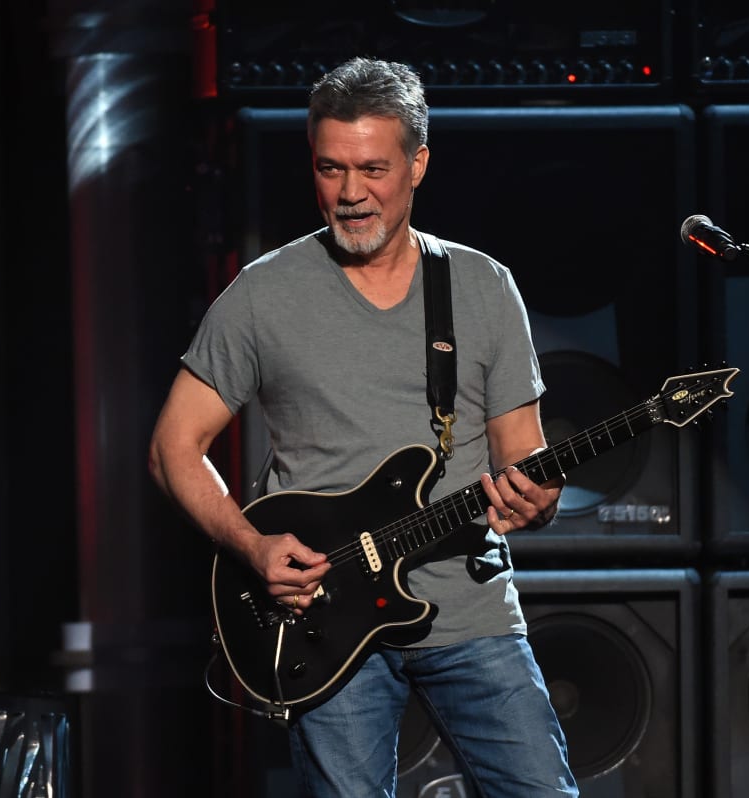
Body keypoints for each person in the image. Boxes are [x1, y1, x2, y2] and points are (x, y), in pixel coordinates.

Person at [148, 56, 578, 797]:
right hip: (323, 621)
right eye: (331, 168)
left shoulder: (482, 286)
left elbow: (523, 459)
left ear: (418, 165)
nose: (350, 194)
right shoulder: (262, 295)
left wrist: (538, 500)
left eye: (373, 169)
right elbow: (171, 449)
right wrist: (251, 545)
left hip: (469, 611)